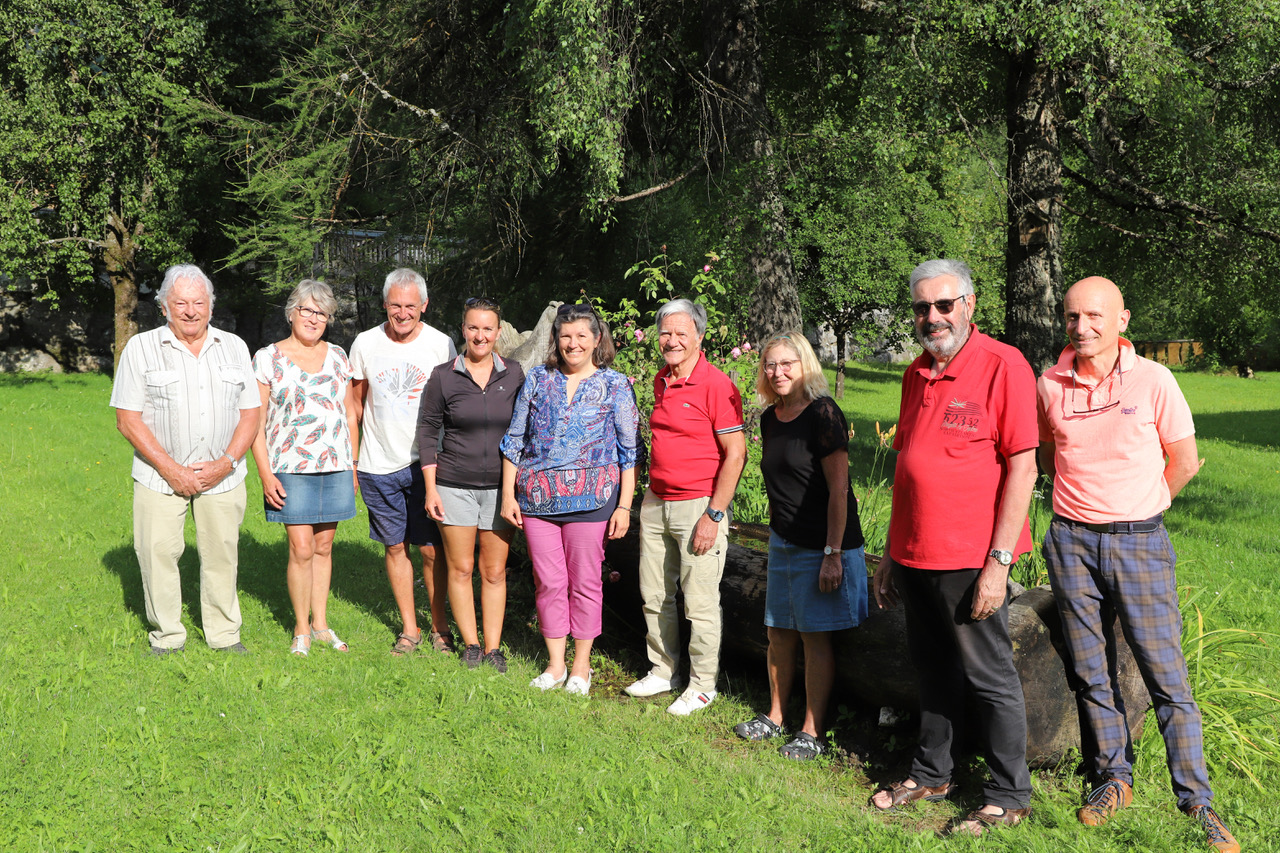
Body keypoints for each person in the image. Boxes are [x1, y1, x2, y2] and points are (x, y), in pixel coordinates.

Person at [1037, 277, 1238, 853]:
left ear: (1122, 320)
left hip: (1138, 542)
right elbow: (1050, 458)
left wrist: (1141, 509)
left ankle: (1196, 801)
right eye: (1072, 316)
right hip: (1071, 542)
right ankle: (1113, 780)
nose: (1081, 327)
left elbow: (1185, 460)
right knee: (1090, 669)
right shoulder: (1049, 384)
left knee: (1165, 675)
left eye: (1094, 316)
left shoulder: (1154, 379)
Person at [869, 258, 1037, 836]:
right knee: (932, 669)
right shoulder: (916, 372)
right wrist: (891, 552)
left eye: (944, 305)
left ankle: (1009, 795)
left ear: (969, 305)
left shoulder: (1002, 365)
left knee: (989, 676)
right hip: (915, 553)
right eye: (922, 307)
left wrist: (998, 563)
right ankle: (932, 773)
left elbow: (1023, 468)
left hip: (970, 557)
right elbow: (907, 469)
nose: (932, 317)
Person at [110, 264, 259, 655]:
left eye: (198, 302)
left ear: (211, 305)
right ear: (164, 307)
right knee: (157, 552)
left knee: (222, 553)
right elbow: (127, 419)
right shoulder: (141, 348)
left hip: (223, 474)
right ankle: (167, 636)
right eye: (181, 303)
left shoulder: (235, 347)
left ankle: (224, 635)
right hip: (159, 476)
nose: (191, 311)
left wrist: (225, 463)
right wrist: (171, 469)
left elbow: (250, 414)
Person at [733, 333, 868, 760]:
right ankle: (774, 716)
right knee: (778, 632)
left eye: (786, 364)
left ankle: (812, 731)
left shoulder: (823, 413)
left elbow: (839, 490)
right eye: (770, 365)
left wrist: (832, 553)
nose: (778, 372)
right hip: (785, 543)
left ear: (805, 364)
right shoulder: (770, 417)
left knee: (814, 637)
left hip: (823, 545)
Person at [499, 303, 642, 697]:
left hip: (593, 501)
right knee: (548, 582)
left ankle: (581, 666)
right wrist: (508, 495)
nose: (573, 343)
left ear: (596, 340)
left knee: (584, 583)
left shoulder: (616, 385)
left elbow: (629, 452)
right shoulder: (537, 379)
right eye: (565, 336)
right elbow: (514, 439)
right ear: (556, 340)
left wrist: (624, 506)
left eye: (581, 335)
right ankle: (555, 665)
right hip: (537, 500)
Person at [626, 298, 745, 716]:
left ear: (699, 336)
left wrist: (714, 514)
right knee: (654, 594)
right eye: (665, 333)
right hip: (657, 501)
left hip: (698, 506)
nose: (672, 340)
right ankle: (663, 670)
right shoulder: (662, 379)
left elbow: (736, 454)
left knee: (699, 601)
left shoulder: (716, 385)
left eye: (681, 333)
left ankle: (702, 684)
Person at [349, 268, 457, 655]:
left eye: (410, 305)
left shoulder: (441, 345)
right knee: (395, 547)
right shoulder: (365, 343)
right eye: (395, 305)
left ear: (424, 305)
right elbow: (354, 405)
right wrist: (353, 461)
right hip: (377, 465)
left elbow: (453, 405)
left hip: (426, 466)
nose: (403, 312)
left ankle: (440, 626)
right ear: (385, 305)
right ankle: (410, 629)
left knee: (430, 549)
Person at [249, 280, 359, 656]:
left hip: (336, 465)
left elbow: (350, 413)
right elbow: (255, 422)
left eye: (321, 313)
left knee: (324, 547)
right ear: (292, 312)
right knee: (301, 548)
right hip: (289, 467)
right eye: (307, 310)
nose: (313, 318)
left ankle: (321, 624)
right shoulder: (268, 358)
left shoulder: (339, 356)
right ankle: (301, 628)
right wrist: (265, 474)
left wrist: (353, 465)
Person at [418, 297, 525, 672]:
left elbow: (523, 430)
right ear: (463, 329)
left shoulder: (514, 374)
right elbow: (427, 432)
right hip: (453, 485)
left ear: (498, 332)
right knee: (461, 568)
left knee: (494, 572)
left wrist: (514, 490)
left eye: (488, 328)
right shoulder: (443, 376)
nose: (480, 336)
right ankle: (472, 645)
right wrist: (431, 488)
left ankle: (494, 648)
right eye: (473, 327)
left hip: (501, 490)